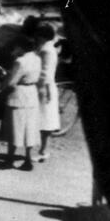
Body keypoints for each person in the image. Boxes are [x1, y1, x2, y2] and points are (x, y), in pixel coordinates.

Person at [2, 34, 42, 171]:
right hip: (32, 94)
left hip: (19, 95)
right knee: (29, 128)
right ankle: (27, 159)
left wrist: (6, 77)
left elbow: (12, 83)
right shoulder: (37, 58)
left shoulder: (20, 61)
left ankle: (9, 158)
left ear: (21, 46)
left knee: (15, 127)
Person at [34, 22, 61, 162]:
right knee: (41, 119)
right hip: (41, 87)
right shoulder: (45, 47)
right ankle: (41, 149)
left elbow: (46, 72)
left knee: (45, 121)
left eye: (38, 34)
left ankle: (43, 151)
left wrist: (43, 89)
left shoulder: (47, 50)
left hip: (45, 88)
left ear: (42, 36)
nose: (36, 37)